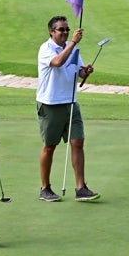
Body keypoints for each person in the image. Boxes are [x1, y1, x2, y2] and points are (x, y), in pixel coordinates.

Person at [36, 15, 100, 202]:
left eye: (66, 29)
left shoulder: (72, 49)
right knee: (50, 146)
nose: (65, 32)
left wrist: (85, 71)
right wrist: (72, 43)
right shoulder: (46, 49)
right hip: (50, 104)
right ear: (51, 31)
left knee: (78, 142)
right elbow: (57, 63)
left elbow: (78, 71)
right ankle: (45, 188)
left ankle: (81, 188)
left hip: (71, 102)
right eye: (61, 29)